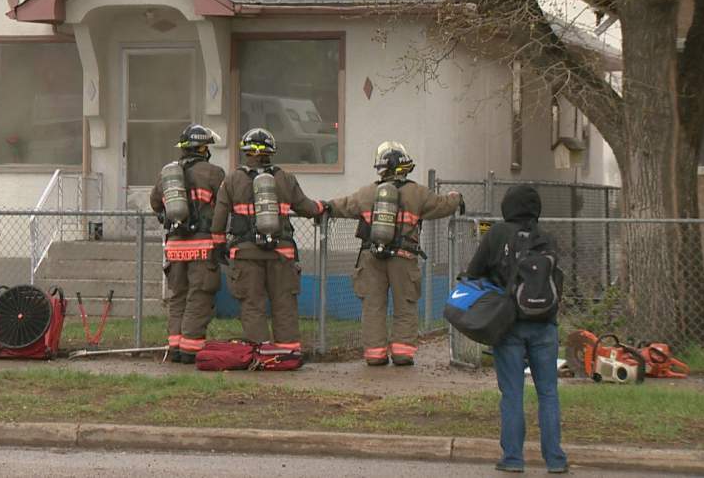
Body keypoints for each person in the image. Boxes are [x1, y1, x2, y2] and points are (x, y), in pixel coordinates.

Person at [323, 142, 461, 365]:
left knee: (373, 306)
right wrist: (456, 198)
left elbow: (343, 205)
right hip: (404, 258)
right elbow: (442, 205)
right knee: (405, 305)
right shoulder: (417, 193)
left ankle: (375, 355)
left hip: (371, 257)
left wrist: (322, 207)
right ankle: (402, 354)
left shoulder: (366, 192)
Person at [465, 185, 568, 474]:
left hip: (508, 325)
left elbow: (474, 273)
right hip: (545, 325)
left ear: (507, 206)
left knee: (512, 394)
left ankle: (513, 459)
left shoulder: (497, 234)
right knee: (548, 393)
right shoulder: (546, 238)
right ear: (536, 208)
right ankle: (556, 460)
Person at [210, 128, 326, 354]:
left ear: (246, 151)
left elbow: (218, 221)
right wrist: (323, 207)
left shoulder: (232, 180)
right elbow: (307, 207)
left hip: (245, 254)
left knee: (252, 305)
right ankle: (288, 354)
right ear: (271, 152)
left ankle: (262, 355)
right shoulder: (285, 178)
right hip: (281, 254)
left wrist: (218, 247)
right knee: (285, 305)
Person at [149, 124, 225, 364]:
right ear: (203, 148)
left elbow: (155, 204)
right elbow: (224, 206)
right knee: (199, 296)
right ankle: (190, 351)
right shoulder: (214, 173)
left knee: (178, 297)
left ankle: (174, 347)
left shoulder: (166, 175)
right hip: (202, 246)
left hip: (174, 247)